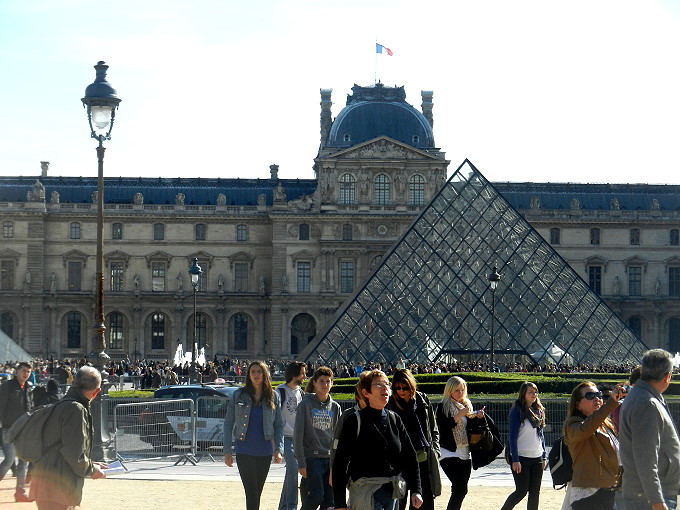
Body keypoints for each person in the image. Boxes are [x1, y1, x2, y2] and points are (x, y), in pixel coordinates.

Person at [332, 370, 423, 510]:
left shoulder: (394, 419)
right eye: (379, 384)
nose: (385, 388)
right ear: (366, 393)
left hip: (391, 492)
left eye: (387, 384)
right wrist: (340, 504)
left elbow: (410, 456)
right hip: (365, 491)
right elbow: (340, 463)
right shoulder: (354, 421)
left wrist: (416, 490)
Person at [29, 365, 108, 509]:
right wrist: (91, 469)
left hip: (47, 483)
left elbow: (62, 446)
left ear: (73, 383)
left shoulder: (61, 404)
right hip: (59, 487)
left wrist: (91, 463)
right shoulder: (75, 409)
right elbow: (74, 453)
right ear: (96, 392)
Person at [619, 349, 680, 510]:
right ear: (667, 377)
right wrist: (657, 500)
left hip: (646, 494)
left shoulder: (641, 397)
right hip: (650, 497)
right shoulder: (647, 403)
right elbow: (645, 458)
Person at [224, 360, 284, 510]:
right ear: (248, 375)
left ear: (265, 375)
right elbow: (228, 423)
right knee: (251, 491)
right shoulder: (239, 395)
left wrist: (279, 449)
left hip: (265, 450)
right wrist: (227, 451)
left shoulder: (273, 396)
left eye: (259, 372)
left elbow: (279, 425)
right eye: (253, 372)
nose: (256, 375)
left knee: (258, 491)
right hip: (244, 448)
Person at [564, 380, 624, 510]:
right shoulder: (573, 425)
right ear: (578, 405)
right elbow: (586, 428)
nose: (597, 398)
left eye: (599, 395)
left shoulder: (605, 425)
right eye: (590, 396)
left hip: (607, 491)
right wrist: (612, 403)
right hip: (587, 495)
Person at [387, 368, 441, 510]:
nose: (401, 391)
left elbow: (433, 427)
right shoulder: (390, 404)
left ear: (411, 385)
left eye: (404, 387)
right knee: (399, 503)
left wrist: (435, 449)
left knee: (424, 503)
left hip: (422, 458)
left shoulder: (422, 399)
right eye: (397, 387)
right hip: (400, 461)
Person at [435, 376, 486, 510]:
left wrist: (478, 417)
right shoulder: (443, 406)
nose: (460, 393)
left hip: (465, 451)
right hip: (448, 451)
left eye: (462, 390)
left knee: (461, 490)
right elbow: (442, 428)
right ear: (449, 390)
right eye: (456, 390)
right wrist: (459, 415)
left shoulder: (467, 405)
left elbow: (470, 427)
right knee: (460, 488)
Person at [294, 366, 341, 510]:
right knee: (316, 497)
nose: (325, 384)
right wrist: (301, 462)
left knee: (329, 502)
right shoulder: (305, 405)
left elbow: (337, 437)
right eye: (321, 381)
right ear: (314, 383)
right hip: (312, 458)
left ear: (332, 383)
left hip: (329, 459)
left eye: (328, 381)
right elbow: (298, 434)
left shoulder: (336, 407)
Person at [500, 382, 546, 510]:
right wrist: (515, 459)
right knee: (521, 491)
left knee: (535, 493)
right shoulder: (517, 411)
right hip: (521, 456)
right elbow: (512, 437)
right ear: (523, 394)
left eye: (535, 392)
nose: (534, 394)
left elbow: (541, 435)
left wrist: (544, 456)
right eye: (530, 392)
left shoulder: (538, 411)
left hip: (536, 456)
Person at [0, 361, 34, 501]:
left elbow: (31, 407)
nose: (26, 374)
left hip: (24, 428)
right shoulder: (7, 386)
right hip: (9, 427)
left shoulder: (29, 387)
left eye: (28, 372)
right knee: (8, 460)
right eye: (24, 371)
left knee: (23, 461)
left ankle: (20, 493)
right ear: (17, 371)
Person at [278, 361, 307, 510]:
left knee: (290, 473)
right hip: (284, 437)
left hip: (297, 439)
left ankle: (283, 507)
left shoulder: (301, 392)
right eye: (302, 373)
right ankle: (291, 507)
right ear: (294, 374)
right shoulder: (279, 392)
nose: (305, 376)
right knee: (294, 469)